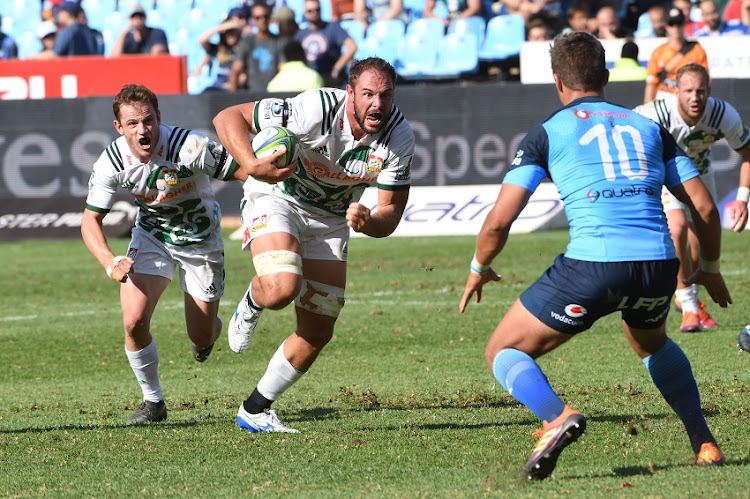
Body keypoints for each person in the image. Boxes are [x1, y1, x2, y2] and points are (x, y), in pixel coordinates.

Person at [459, 31, 729, 480]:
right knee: (650, 342)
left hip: (593, 267)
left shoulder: (547, 132)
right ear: (605, 77)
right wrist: (712, 270)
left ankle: (555, 417)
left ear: (557, 81)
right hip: (659, 266)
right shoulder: (649, 127)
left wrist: (478, 268)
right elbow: (703, 207)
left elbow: (498, 222)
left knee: (502, 351)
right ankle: (704, 443)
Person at [212, 57, 415, 433]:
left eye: (385, 96)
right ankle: (254, 299)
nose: (377, 104)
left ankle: (255, 409)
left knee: (319, 329)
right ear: (350, 93)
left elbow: (390, 214)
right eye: (368, 94)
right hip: (278, 196)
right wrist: (252, 165)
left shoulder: (399, 136)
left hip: (331, 221)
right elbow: (228, 117)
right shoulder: (317, 107)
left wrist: (368, 221)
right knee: (281, 289)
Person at [81, 84, 248, 425]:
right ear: (119, 127)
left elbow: (244, 171)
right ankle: (153, 402)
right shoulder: (111, 162)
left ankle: (215, 328)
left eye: (148, 121)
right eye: (132, 124)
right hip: (153, 236)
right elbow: (90, 221)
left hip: (201, 241)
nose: (142, 130)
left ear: (159, 118)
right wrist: (110, 261)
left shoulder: (190, 147)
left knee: (201, 337)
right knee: (133, 320)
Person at [635, 63, 750, 331]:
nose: (694, 97)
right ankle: (688, 306)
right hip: (667, 175)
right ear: (676, 91)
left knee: (700, 246)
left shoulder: (722, 114)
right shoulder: (656, 113)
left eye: (700, 91)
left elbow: (747, 153)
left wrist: (743, 198)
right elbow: (624, 134)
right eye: (687, 91)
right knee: (677, 231)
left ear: (709, 90)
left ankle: (690, 298)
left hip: (700, 175)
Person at [644, 8, 708, 102]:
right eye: (671, 24)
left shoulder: (697, 50)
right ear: (666, 26)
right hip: (664, 95)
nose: (675, 28)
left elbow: (704, 80)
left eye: (679, 24)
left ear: (684, 24)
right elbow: (652, 82)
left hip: (688, 97)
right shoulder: (658, 52)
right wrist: (646, 110)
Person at [295, 0, 358, 87]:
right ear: (304, 12)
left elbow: (352, 46)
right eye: (310, 11)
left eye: (317, 10)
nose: (314, 13)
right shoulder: (300, 34)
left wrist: (337, 68)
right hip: (311, 81)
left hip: (331, 80)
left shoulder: (332, 27)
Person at [228, 2, 285, 92]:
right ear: (253, 20)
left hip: (274, 94)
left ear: (270, 17)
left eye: (265, 16)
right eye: (258, 17)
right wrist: (233, 97)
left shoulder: (279, 41)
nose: (262, 20)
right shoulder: (247, 41)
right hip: (252, 95)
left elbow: (283, 70)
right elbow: (235, 71)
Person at [193, 14, 248, 92]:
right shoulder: (220, 49)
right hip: (218, 89)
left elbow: (243, 77)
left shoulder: (245, 50)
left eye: (232, 32)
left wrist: (231, 85)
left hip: (236, 90)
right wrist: (221, 27)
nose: (229, 35)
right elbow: (201, 40)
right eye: (226, 33)